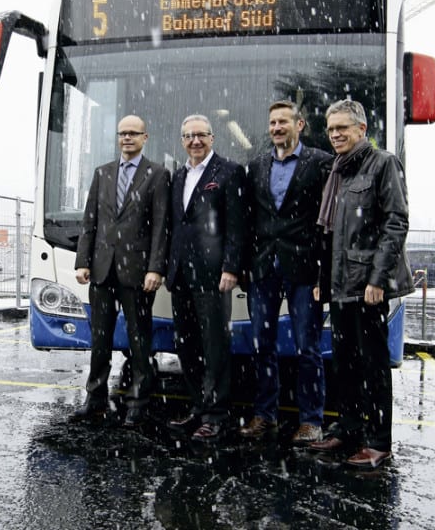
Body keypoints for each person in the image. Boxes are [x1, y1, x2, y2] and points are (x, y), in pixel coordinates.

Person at [309, 99, 413, 468]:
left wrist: (378, 278)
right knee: (344, 364)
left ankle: (378, 441)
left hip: (367, 285)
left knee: (373, 366)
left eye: (343, 128)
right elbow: (330, 233)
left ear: (361, 130)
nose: (335, 134)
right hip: (339, 286)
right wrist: (323, 280)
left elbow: (396, 222)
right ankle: (348, 429)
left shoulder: (382, 163)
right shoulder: (337, 169)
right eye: (331, 128)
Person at [239, 100, 333, 445]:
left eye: (283, 122)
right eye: (273, 123)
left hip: (304, 266)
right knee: (262, 344)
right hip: (264, 266)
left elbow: (328, 220)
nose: (277, 128)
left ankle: (311, 420)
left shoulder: (321, 163)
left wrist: (326, 269)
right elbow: (250, 219)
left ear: (300, 125)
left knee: (307, 347)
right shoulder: (257, 165)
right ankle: (265, 414)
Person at [71, 114, 171, 427]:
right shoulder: (102, 173)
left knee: (139, 339)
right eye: (122, 133)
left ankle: (139, 401)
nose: (126, 138)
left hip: (138, 273)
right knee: (99, 339)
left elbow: (161, 227)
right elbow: (91, 221)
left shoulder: (157, 174)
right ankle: (95, 397)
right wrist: (82, 260)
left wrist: (156, 268)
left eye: (133, 133)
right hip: (101, 270)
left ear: (145, 137)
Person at [165, 114, 248, 443]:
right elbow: (177, 224)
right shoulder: (179, 176)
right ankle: (198, 406)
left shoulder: (229, 172)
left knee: (214, 345)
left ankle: (216, 415)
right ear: (182, 140)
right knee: (186, 344)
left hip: (214, 275)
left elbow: (237, 226)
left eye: (201, 135)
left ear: (212, 138)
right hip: (181, 275)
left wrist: (231, 266)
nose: (195, 141)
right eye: (188, 136)